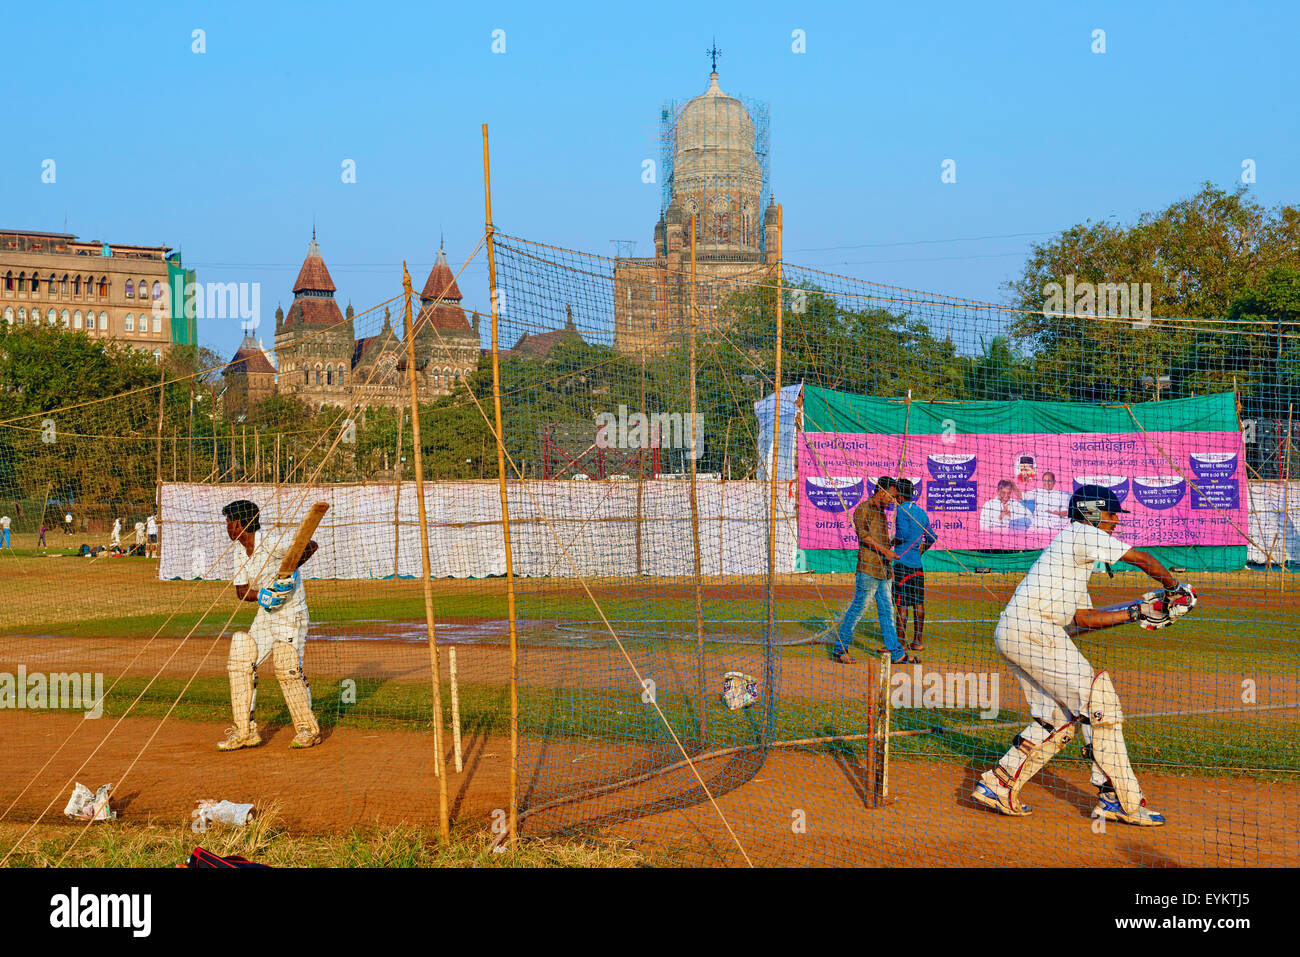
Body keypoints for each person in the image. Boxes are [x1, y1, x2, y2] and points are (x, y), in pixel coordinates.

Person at [970, 484, 1192, 826]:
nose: (1116, 520)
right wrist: (1173, 590)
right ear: (1091, 512)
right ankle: (1118, 799)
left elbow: (1080, 620)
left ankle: (999, 783)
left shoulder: (1073, 551)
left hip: (1018, 632)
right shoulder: (1082, 533)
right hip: (1033, 631)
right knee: (1099, 701)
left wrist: (1135, 611)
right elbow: (1142, 559)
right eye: (1111, 513)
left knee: (1056, 719)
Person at [218, 499, 322, 751]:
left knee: (287, 666)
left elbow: (310, 544)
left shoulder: (272, 542)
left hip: (291, 614)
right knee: (242, 656)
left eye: (228, 522)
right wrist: (263, 595)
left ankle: (308, 729)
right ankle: (245, 732)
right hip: (266, 615)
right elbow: (242, 591)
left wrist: (290, 572)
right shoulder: (240, 551)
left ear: (239, 523)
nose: (227, 528)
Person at [832, 477, 916, 665]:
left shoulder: (881, 512)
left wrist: (890, 549)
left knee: (887, 612)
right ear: (882, 491)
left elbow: (879, 539)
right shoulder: (864, 509)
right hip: (868, 569)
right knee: (857, 611)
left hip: (883, 571)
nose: (893, 500)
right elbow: (864, 537)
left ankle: (896, 654)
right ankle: (840, 650)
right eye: (892, 495)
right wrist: (886, 550)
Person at [892, 479, 937, 652]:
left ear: (899, 494)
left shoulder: (901, 510)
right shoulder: (921, 512)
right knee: (918, 603)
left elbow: (902, 535)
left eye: (895, 492)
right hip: (917, 566)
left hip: (902, 564)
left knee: (902, 604)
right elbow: (932, 538)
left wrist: (890, 543)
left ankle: (900, 642)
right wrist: (920, 552)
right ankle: (918, 641)